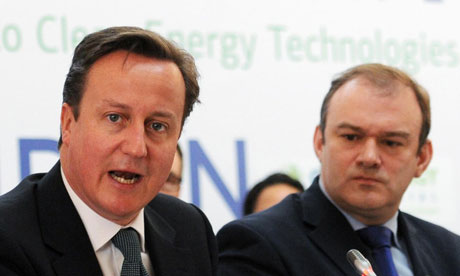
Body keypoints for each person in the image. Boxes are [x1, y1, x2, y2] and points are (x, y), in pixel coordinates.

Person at [0, 26, 217, 276]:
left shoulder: (190, 230)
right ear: (68, 123)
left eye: (157, 126)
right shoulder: (8, 240)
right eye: (115, 118)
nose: (136, 148)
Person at [217, 63, 460, 275]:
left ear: (422, 157)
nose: (369, 157)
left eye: (391, 142)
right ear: (320, 142)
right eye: (351, 137)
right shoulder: (259, 243)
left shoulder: (450, 252)